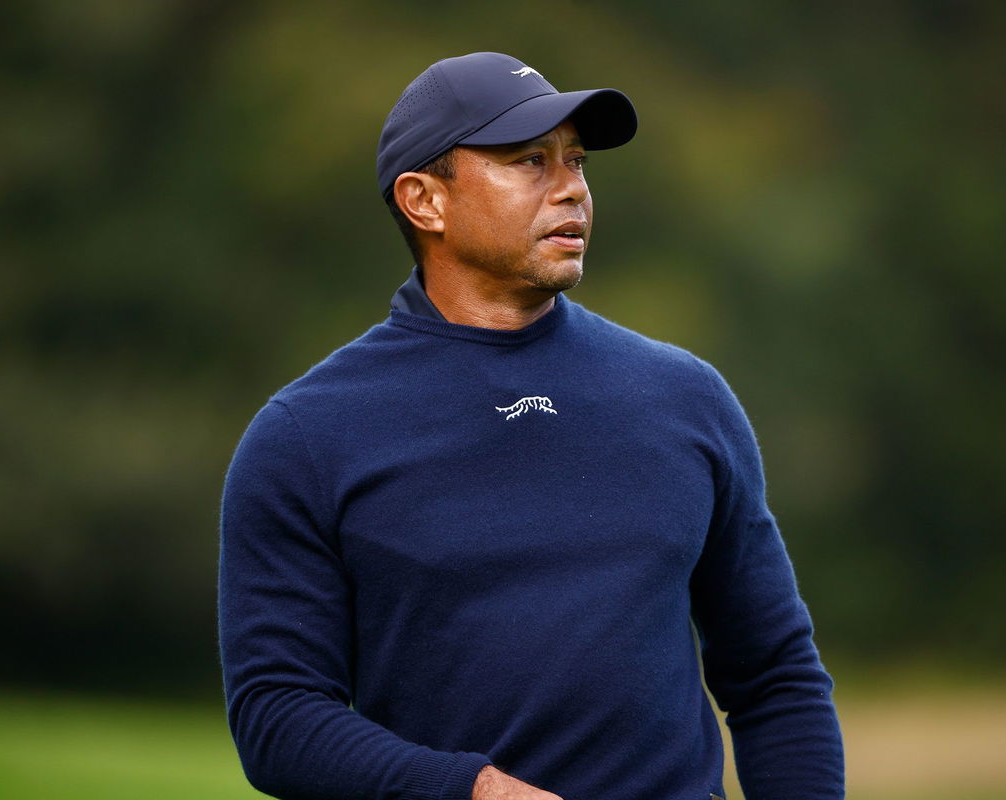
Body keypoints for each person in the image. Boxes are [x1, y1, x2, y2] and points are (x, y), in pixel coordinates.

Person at [219, 52, 844, 800]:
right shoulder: (306, 436)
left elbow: (774, 674)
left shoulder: (685, 398)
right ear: (424, 201)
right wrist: (475, 793)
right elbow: (278, 717)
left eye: (575, 161)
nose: (573, 188)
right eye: (528, 162)